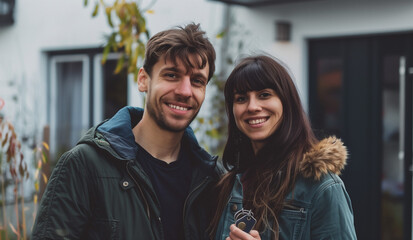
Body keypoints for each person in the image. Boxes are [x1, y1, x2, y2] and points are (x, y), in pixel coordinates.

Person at [32, 23, 219, 240]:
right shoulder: (84, 166)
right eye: (171, 75)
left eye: (197, 81)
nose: (185, 91)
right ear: (143, 80)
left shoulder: (211, 179)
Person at [209, 55, 357, 240]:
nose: (252, 106)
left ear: (286, 103)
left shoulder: (321, 187)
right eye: (241, 98)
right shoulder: (229, 184)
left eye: (264, 95)